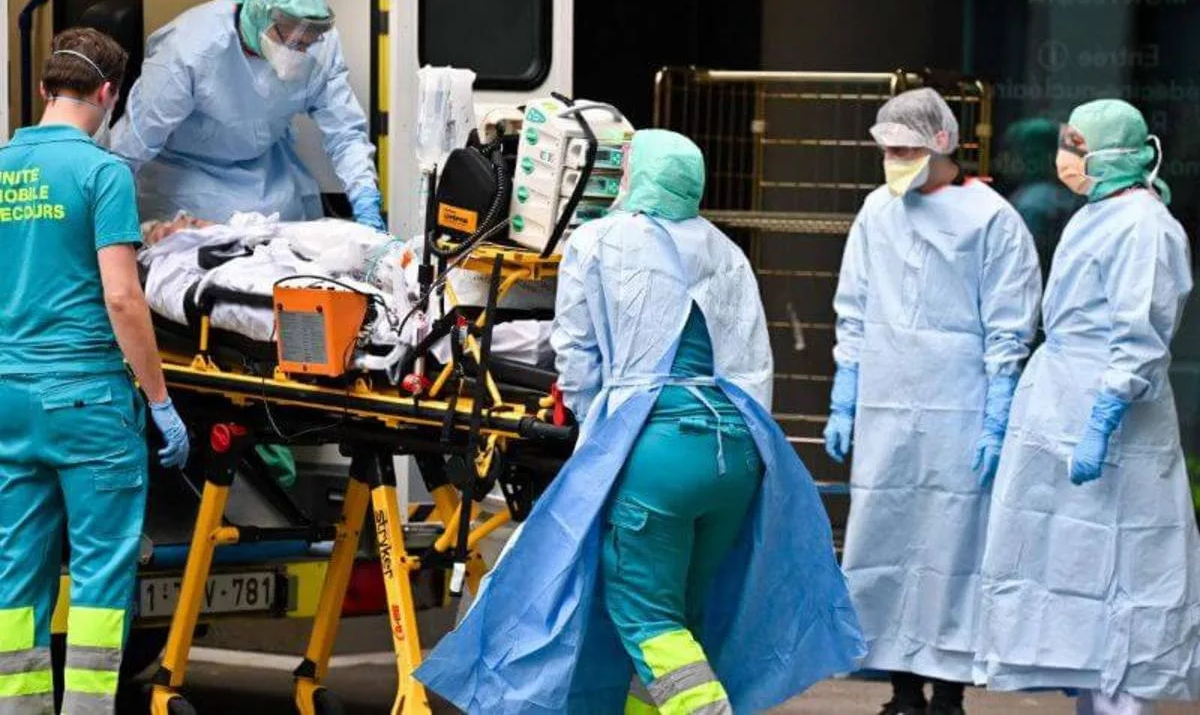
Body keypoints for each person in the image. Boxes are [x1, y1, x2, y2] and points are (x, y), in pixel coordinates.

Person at [415, 130, 865, 714]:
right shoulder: (727, 252)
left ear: (641, 175)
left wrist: (595, 436)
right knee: (681, 620)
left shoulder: (600, 239)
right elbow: (754, 362)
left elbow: (576, 354)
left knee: (646, 615)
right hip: (738, 453)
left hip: (658, 452)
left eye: (626, 166)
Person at [975, 99, 1200, 715]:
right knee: (1073, 571)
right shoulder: (1098, 213)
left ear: (1114, 151)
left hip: (1116, 415)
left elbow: (1140, 332)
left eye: (1077, 145)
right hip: (1062, 401)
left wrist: (1104, 417)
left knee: (1125, 572)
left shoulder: (1146, 226)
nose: (1065, 157)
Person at [824, 88, 1042, 715]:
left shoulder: (991, 218)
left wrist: (997, 413)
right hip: (887, 404)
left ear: (942, 142)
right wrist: (846, 393)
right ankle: (901, 689)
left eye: (906, 149)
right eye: (887, 150)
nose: (894, 160)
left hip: (960, 408)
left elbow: (1009, 322)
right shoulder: (877, 210)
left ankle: (949, 691)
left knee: (953, 545)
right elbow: (854, 306)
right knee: (883, 540)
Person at [0, 28, 190, 715]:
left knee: (15, 576)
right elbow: (121, 297)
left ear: (45, 88)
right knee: (101, 580)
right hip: (88, 405)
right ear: (109, 94)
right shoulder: (102, 173)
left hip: (10, 400)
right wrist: (160, 400)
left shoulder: (3, 166)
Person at [109, 0, 384, 231]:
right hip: (186, 175)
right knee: (203, 244)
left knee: (285, 242)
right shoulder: (188, 49)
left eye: (304, 44)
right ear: (258, 15)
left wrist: (365, 200)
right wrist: (103, 215)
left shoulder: (320, 44)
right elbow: (134, 143)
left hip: (267, 178)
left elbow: (345, 132)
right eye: (289, 41)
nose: (297, 53)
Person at [1001, 117, 1085, 280]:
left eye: (1011, 152)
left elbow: (1020, 268)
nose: (1004, 160)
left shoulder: (1032, 205)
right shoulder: (1071, 197)